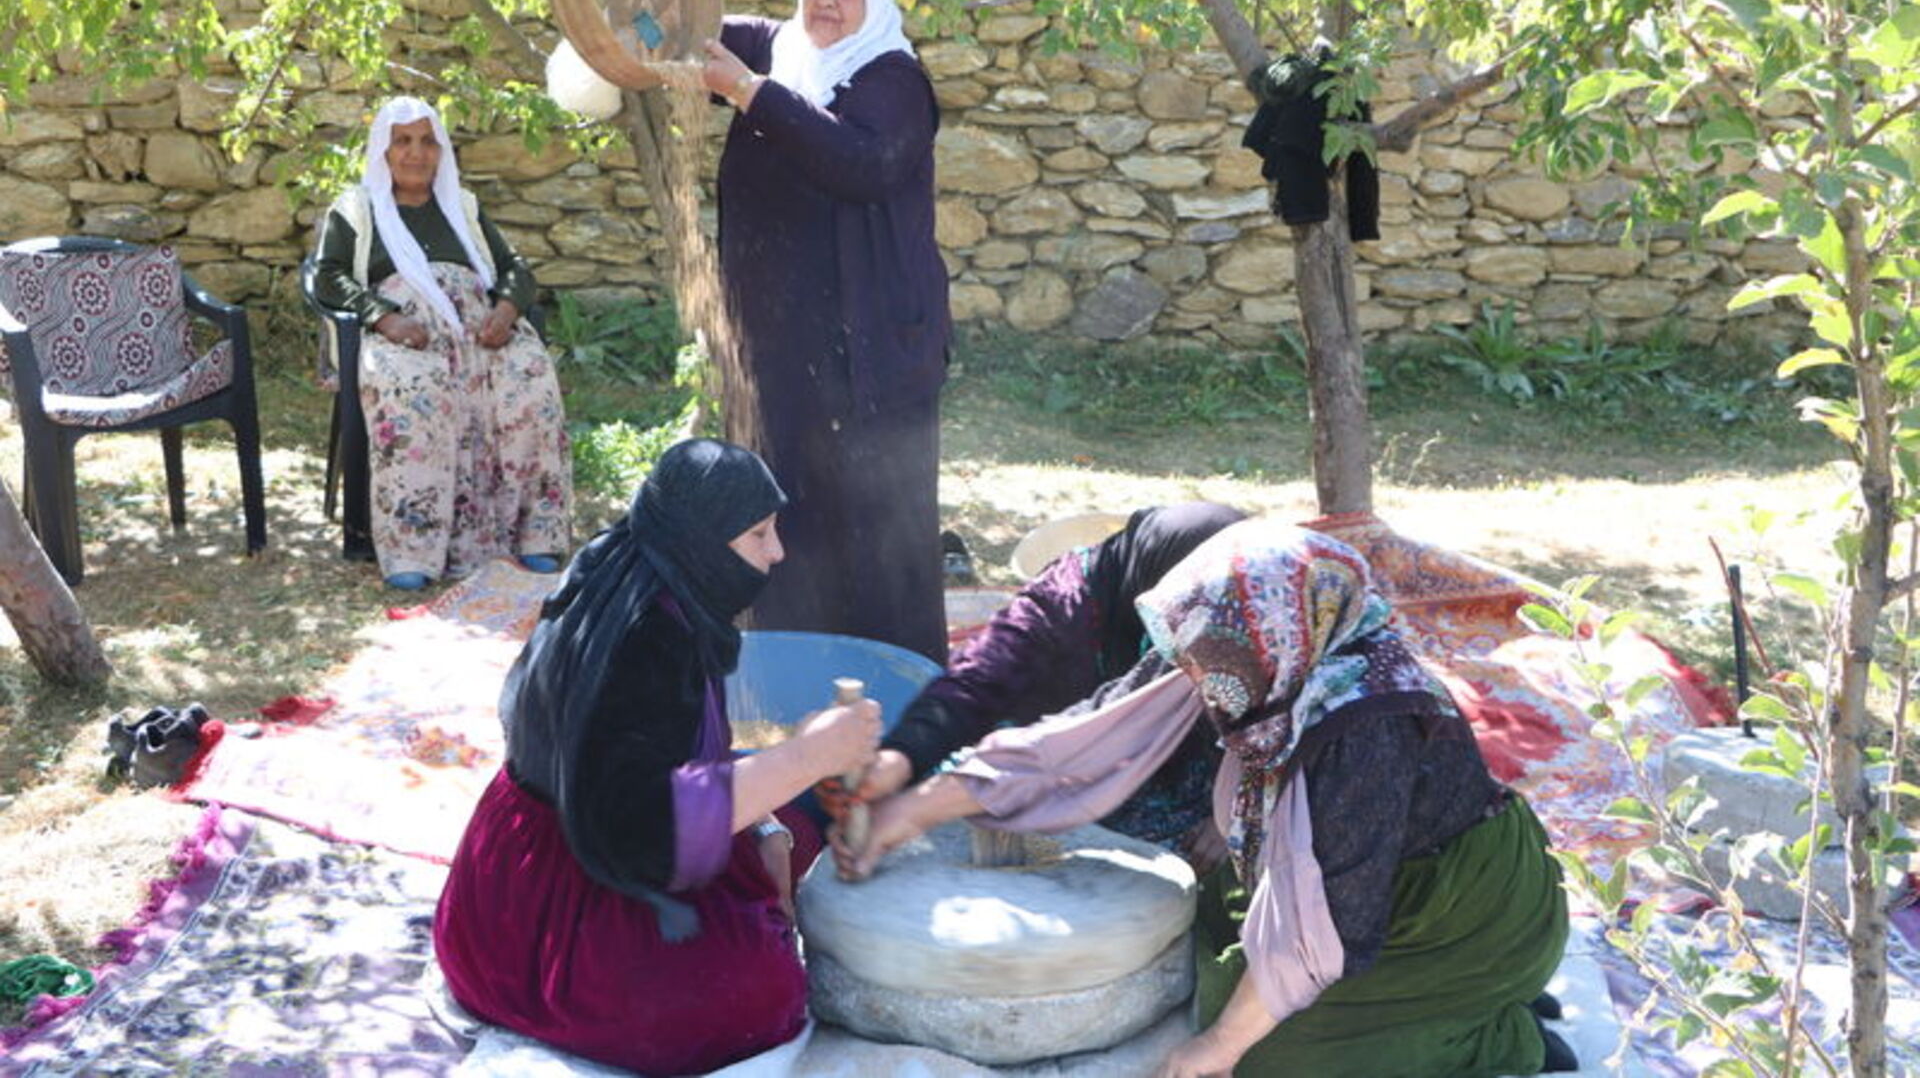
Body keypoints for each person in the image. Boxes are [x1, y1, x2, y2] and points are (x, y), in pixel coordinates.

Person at [837, 522, 1575, 1078]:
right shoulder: (1249, 642)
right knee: (1218, 961)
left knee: (1274, 1056)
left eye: (1205, 656)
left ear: (1270, 634)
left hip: (1457, 908)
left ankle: (1501, 1028)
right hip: (1344, 878)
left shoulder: (1364, 722)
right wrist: (918, 807)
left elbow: (1336, 918)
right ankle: (1447, 1011)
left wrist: (1217, 1049)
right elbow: (1084, 738)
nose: (1193, 671)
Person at [433, 438, 882, 1074]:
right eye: (759, 534)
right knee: (758, 995)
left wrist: (770, 816)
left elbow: (669, 757)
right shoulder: (640, 637)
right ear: (701, 539)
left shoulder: (635, 566)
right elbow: (640, 829)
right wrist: (807, 756)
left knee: (794, 827)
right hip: (553, 907)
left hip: (521, 873)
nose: (777, 552)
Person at [699, 0, 952, 663]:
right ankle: (794, 672)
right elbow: (675, 29)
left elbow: (859, 162)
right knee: (788, 512)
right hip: (781, 349)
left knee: (875, 527)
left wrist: (751, 93)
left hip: (869, 355)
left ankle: (894, 692)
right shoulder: (776, 46)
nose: (829, 5)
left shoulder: (893, 78)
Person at [867, 503, 1247, 863]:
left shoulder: (1236, 617)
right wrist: (901, 758)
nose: (1173, 615)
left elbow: (1273, 721)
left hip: (1178, 761)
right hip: (1063, 741)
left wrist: (1235, 809)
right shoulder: (1068, 596)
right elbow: (978, 678)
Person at [313, 96, 573, 591]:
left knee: (530, 384)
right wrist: (384, 318)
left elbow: (516, 268)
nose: (417, 152)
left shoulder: (464, 207)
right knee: (416, 395)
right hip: (406, 336)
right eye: (403, 141)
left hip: (479, 331)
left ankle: (534, 536)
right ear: (383, 151)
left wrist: (506, 309)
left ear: (442, 150)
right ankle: (414, 547)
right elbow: (327, 277)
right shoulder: (357, 210)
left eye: (428, 141)